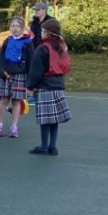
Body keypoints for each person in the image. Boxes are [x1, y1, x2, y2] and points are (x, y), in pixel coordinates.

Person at [26, 19, 71, 156]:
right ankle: (53, 146)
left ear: (48, 32)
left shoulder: (42, 48)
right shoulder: (61, 47)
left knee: (45, 119)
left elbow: (36, 70)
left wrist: (30, 86)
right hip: (58, 86)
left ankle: (44, 146)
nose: (41, 33)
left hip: (45, 87)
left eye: (42, 31)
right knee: (54, 119)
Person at [0, 17, 34, 138]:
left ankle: (14, 127)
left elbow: (31, 61)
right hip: (6, 75)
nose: (14, 28)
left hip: (20, 75)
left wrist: (30, 80)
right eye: (13, 26)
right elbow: (1, 58)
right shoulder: (7, 40)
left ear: (22, 28)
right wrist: (2, 71)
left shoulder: (28, 43)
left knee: (16, 101)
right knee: (4, 100)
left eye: (17, 26)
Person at [28, 2, 53, 106]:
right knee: (33, 72)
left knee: (45, 73)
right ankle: (33, 96)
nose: (36, 11)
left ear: (44, 10)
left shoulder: (51, 22)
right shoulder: (34, 22)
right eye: (35, 10)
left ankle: (46, 96)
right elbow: (32, 36)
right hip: (35, 51)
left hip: (46, 51)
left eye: (38, 10)